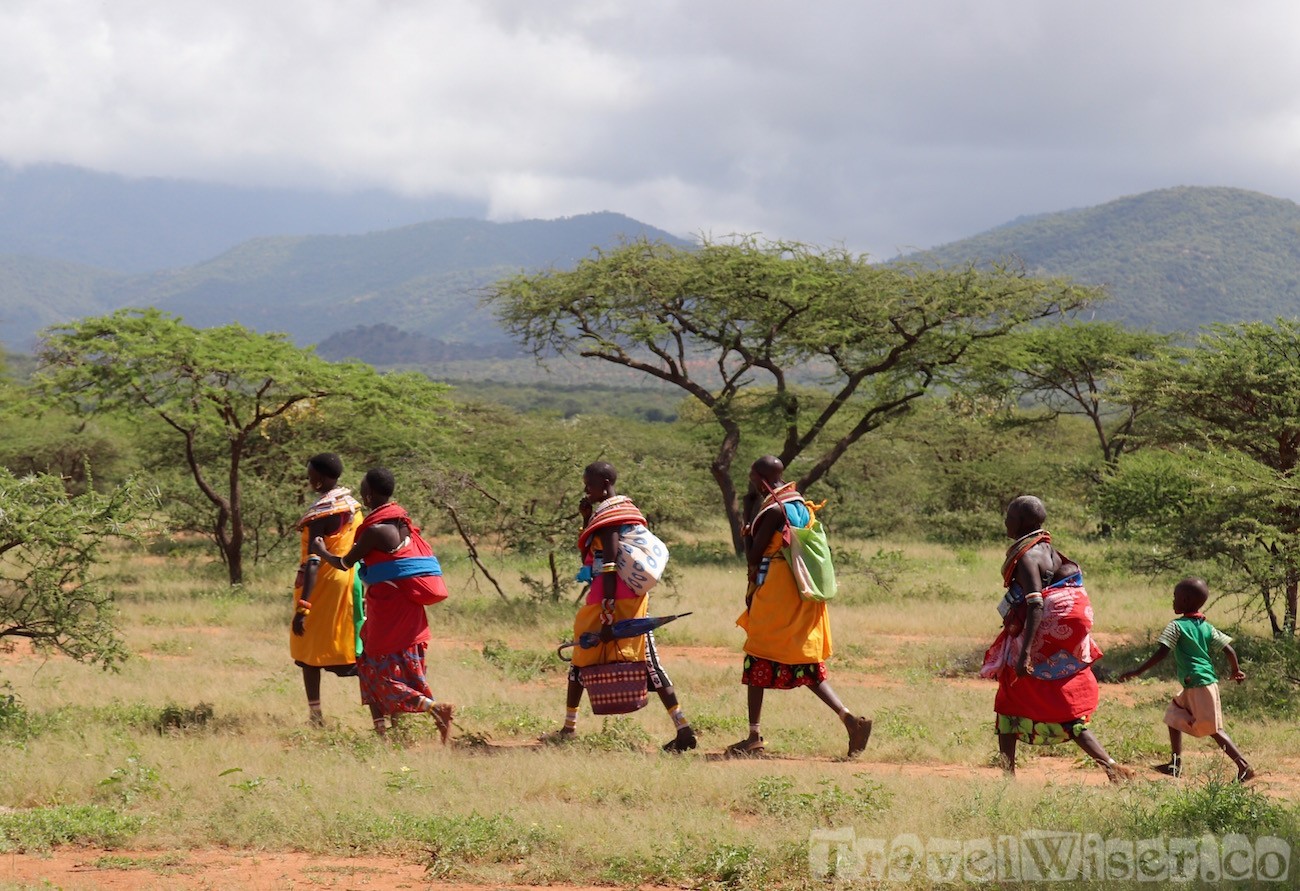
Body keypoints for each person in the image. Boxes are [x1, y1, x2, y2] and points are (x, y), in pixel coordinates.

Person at [546, 461, 697, 752]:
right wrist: (587, 517)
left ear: (604, 483)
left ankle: (569, 729)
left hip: (613, 599)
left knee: (592, 655)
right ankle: (682, 728)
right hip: (625, 598)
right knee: (620, 659)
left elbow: (611, 563)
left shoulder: (611, 518)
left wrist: (606, 614)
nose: (585, 489)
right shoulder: (615, 511)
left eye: (589, 483)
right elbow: (596, 556)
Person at [728, 456, 872, 758]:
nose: (751, 481)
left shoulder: (772, 510)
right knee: (804, 664)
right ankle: (849, 719)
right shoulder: (799, 504)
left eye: (753, 476)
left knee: (757, 654)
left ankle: (754, 735)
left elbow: (754, 556)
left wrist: (747, 528)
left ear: (760, 477)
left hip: (778, 593)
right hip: (802, 591)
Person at [980, 495, 1131, 781]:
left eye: (1009, 516)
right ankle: (1110, 767)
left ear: (1022, 522)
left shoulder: (1027, 556)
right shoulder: (1048, 549)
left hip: (1036, 637)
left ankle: (1006, 778)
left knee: (1008, 699)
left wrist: (1024, 654)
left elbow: (1036, 602)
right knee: (1064, 712)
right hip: (1054, 641)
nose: (1005, 521)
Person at [312, 467, 454, 741]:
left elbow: (344, 563)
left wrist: (321, 551)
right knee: (397, 668)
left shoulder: (376, 531)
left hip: (388, 610)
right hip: (410, 608)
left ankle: (435, 709)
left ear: (369, 494)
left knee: (371, 670)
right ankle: (387, 733)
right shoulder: (403, 523)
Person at [1118, 577, 1254, 782]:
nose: (1173, 601)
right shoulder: (1206, 627)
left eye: (1176, 597)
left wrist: (1137, 671)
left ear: (1187, 600)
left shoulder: (1177, 626)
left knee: (1214, 730)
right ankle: (1175, 764)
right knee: (1173, 716)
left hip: (1200, 683)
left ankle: (1244, 766)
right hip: (1196, 683)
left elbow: (1162, 652)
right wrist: (1236, 670)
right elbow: (1229, 649)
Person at [291, 453, 364, 727]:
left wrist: (303, 607)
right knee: (352, 647)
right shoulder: (352, 507)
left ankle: (315, 716)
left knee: (308, 648)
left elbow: (313, 562)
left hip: (322, 584)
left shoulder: (320, 514)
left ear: (320, 479)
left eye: (310, 475)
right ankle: (382, 707)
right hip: (350, 582)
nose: (309, 479)